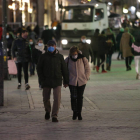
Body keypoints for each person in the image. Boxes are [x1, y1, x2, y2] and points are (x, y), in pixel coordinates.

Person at [37, 40, 69, 122]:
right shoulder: (43, 56)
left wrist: (66, 81)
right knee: (46, 98)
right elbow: (39, 68)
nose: (51, 47)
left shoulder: (60, 57)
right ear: (47, 47)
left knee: (57, 99)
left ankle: (54, 115)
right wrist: (41, 80)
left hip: (57, 80)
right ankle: (47, 110)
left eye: (52, 45)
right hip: (46, 80)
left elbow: (64, 69)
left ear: (55, 46)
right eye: (49, 45)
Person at [65, 46, 91, 120]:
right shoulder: (68, 60)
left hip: (81, 81)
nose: (74, 55)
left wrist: (86, 77)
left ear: (78, 52)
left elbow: (87, 69)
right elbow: (64, 70)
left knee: (80, 97)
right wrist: (66, 80)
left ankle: (79, 112)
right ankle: (74, 112)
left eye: (75, 53)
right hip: (72, 82)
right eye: (73, 54)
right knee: (73, 97)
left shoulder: (83, 58)